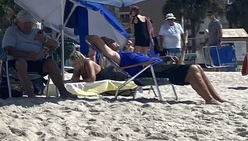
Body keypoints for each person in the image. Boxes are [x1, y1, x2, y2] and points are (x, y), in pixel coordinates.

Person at [88, 35, 226, 104]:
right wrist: (94, 39)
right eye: (112, 42)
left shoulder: (128, 53)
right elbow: (97, 42)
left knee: (198, 69)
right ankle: (209, 100)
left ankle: (217, 98)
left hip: (158, 66)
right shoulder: (118, 56)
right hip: (149, 71)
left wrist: (165, 57)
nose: (116, 42)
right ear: (108, 46)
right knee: (193, 69)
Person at [1, 10, 77, 99]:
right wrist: (27, 54)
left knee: (51, 63)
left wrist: (45, 40)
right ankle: (30, 94)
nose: (27, 24)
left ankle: (63, 92)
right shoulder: (12, 31)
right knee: (21, 62)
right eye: (24, 22)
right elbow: (8, 50)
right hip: (16, 63)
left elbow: (56, 45)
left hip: (36, 62)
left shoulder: (37, 32)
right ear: (18, 22)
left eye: (29, 22)